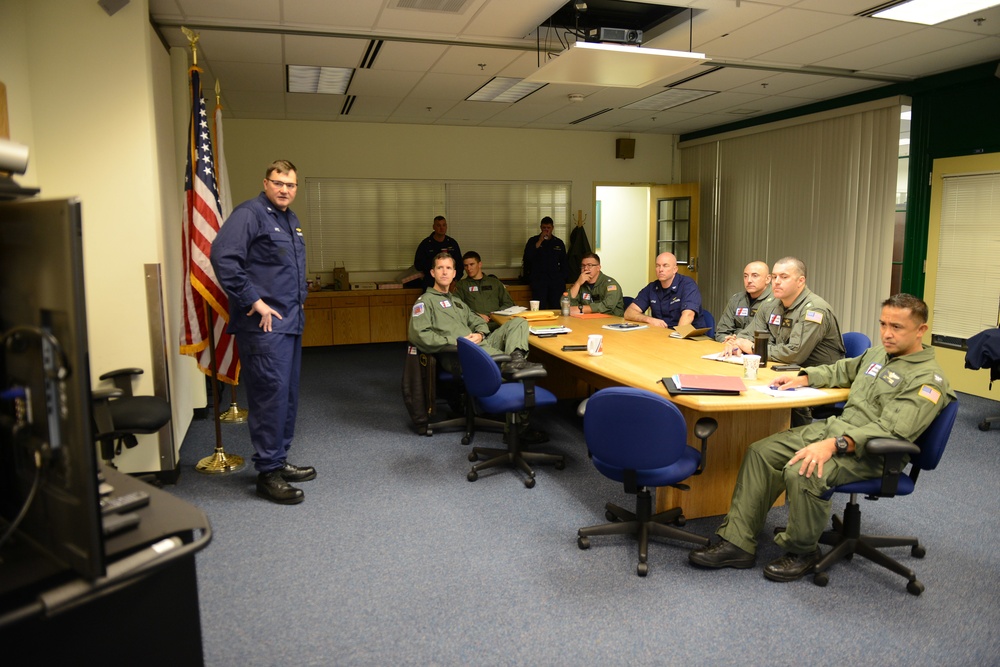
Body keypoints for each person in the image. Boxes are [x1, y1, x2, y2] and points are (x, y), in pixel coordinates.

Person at [689, 294, 954, 583]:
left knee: (803, 469)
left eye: (897, 327)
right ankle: (738, 542)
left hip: (874, 453)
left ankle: (803, 551)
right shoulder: (879, 354)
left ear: (920, 331)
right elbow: (842, 369)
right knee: (762, 451)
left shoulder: (928, 380)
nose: (887, 333)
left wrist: (834, 444)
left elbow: (892, 431)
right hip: (837, 430)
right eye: (883, 324)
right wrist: (802, 377)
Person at [211, 159, 315, 505]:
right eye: (278, 183)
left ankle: (279, 459)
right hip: (264, 326)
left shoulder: (290, 219)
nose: (285, 189)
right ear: (266, 182)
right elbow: (224, 256)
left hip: (289, 324)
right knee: (269, 395)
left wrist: (300, 298)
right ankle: (267, 472)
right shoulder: (250, 214)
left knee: (286, 396)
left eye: (291, 185)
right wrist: (253, 300)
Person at [408, 253, 536, 375]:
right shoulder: (426, 301)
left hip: (478, 344)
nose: (444, 272)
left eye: (448, 268)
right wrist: (456, 341)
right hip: (459, 353)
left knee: (519, 322)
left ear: (454, 273)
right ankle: (512, 365)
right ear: (432, 273)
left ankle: (515, 361)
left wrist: (480, 334)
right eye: (440, 268)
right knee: (518, 373)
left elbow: (478, 321)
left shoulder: (456, 302)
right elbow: (418, 335)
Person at [722, 257, 844, 368]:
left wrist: (754, 348)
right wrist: (736, 343)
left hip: (816, 377)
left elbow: (794, 354)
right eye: (774, 277)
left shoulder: (814, 310)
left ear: (800, 281)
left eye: (784, 277)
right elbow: (749, 334)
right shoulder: (771, 304)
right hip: (782, 368)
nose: (776, 282)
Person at [624, 252, 705, 329]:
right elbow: (629, 313)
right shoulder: (652, 287)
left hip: (689, 337)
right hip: (663, 334)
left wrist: (677, 337)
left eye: (665, 266)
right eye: (658, 266)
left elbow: (688, 315)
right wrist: (649, 319)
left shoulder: (687, 285)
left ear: (675, 269)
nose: (660, 269)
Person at [454, 251, 515, 331]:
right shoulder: (462, 285)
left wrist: (495, 314)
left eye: (472, 264)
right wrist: (476, 315)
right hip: (475, 326)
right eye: (466, 266)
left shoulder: (494, 282)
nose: (469, 268)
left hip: (497, 324)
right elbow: (457, 306)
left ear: (479, 264)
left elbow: (508, 303)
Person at [713, 261, 774, 341]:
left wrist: (741, 341)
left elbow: (774, 339)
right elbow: (722, 332)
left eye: (755, 276)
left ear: (768, 279)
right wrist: (728, 341)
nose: (749, 280)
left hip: (759, 350)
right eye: (745, 276)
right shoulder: (737, 299)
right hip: (732, 348)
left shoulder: (776, 301)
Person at [522, 216, 568, 310]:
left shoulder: (558, 243)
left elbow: (564, 263)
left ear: (552, 228)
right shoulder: (533, 241)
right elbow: (528, 257)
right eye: (544, 228)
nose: (546, 230)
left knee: (556, 307)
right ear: (541, 228)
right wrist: (540, 241)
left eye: (548, 228)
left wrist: (563, 279)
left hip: (555, 282)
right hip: (539, 281)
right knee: (539, 308)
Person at [413, 216, 462, 288]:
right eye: (438, 225)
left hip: (449, 283)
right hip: (431, 282)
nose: (442, 228)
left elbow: (460, 265)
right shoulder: (426, 244)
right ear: (433, 227)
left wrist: (455, 280)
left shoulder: (452, 243)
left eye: (444, 225)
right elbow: (418, 265)